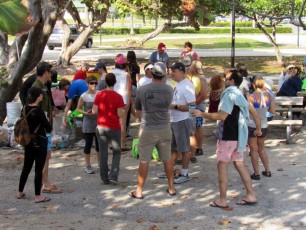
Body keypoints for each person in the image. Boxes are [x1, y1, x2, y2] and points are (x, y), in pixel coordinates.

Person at [191, 70, 261, 208]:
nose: (224, 79)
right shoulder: (241, 95)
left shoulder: (229, 95)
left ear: (232, 81)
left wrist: (202, 114)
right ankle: (251, 195)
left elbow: (222, 116)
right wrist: (258, 128)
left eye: (227, 78)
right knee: (239, 164)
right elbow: (254, 113)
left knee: (222, 166)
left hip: (227, 136)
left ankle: (222, 200)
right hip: (239, 136)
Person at [129, 62, 176, 199]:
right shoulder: (169, 89)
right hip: (164, 128)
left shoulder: (142, 90)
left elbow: (138, 111)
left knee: (144, 160)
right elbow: (168, 105)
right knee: (167, 159)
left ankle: (139, 191)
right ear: (163, 74)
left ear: (151, 73)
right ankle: (171, 187)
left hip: (147, 128)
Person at [17, 87, 52, 203]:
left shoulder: (24, 108)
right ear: (37, 97)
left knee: (26, 167)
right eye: (41, 94)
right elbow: (48, 128)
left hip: (27, 142)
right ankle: (38, 196)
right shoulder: (39, 111)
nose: (42, 96)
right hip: (39, 142)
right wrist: (46, 119)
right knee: (38, 169)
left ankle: (20, 192)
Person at [31, 62, 61, 194]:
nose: (51, 74)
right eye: (49, 72)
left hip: (45, 125)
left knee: (47, 155)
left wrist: (51, 110)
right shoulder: (37, 87)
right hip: (41, 128)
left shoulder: (42, 86)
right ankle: (45, 184)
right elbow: (34, 109)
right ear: (45, 73)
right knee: (44, 155)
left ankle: (46, 181)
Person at [92, 73, 125, 184]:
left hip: (101, 126)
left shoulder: (99, 95)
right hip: (114, 127)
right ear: (115, 82)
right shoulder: (118, 97)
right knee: (116, 151)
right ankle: (113, 175)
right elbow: (119, 113)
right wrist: (123, 111)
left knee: (103, 153)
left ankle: (104, 178)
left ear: (105, 82)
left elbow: (94, 111)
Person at [168, 62, 196, 184]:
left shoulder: (187, 86)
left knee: (184, 149)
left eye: (174, 71)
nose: (171, 73)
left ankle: (185, 173)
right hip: (172, 120)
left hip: (182, 120)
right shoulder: (175, 83)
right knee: (172, 148)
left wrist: (174, 106)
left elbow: (192, 106)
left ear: (181, 72)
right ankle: (171, 170)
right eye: (171, 71)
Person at [248, 75, 275, 180]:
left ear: (253, 84)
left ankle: (256, 173)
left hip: (252, 124)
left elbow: (249, 111)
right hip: (264, 124)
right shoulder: (269, 95)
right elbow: (272, 111)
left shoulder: (251, 96)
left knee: (253, 149)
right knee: (261, 149)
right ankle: (267, 170)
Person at [77, 76, 100, 174]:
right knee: (88, 144)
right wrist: (85, 113)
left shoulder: (99, 93)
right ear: (87, 84)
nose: (94, 85)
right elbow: (78, 108)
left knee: (99, 144)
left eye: (95, 83)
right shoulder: (84, 96)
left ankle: (100, 164)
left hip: (98, 121)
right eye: (92, 83)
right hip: (88, 122)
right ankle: (87, 165)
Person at [111, 54, 132, 151]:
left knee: (113, 122)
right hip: (123, 99)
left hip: (112, 99)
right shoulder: (126, 75)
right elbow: (128, 90)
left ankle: (113, 143)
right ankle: (122, 144)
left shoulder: (110, 73)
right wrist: (128, 102)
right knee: (122, 123)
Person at [126, 51, 140, 136]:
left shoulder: (126, 67)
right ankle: (137, 117)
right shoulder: (136, 66)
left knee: (129, 104)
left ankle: (136, 117)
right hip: (134, 86)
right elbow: (138, 78)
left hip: (127, 86)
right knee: (135, 104)